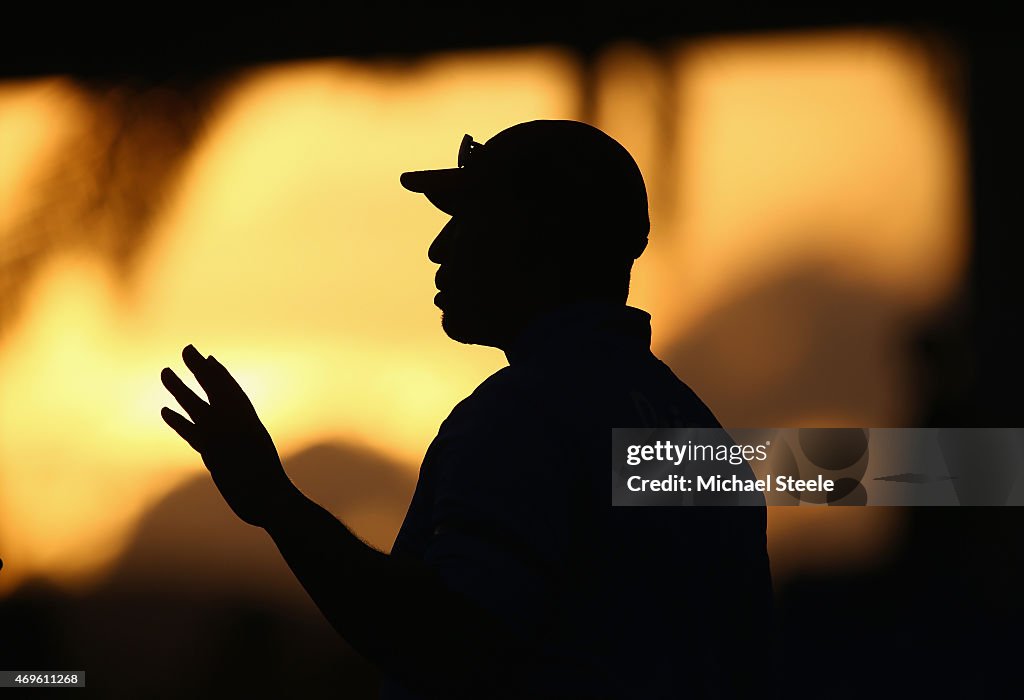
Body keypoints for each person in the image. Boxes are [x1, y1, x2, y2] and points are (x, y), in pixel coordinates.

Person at [160, 120, 772, 698]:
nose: (438, 247)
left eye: (469, 220)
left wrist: (276, 503)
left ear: (537, 238)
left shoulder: (523, 417)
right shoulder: (698, 430)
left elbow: (452, 643)